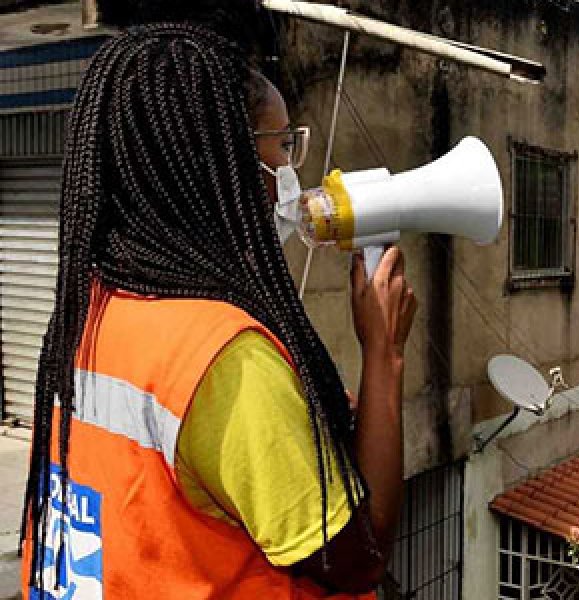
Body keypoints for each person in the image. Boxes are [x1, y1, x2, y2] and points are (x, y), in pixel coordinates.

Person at [20, 21, 414, 598]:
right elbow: (359, 558)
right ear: (217, 166)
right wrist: (385, 352)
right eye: (282, 145)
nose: (289, 172)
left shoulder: (92, 309)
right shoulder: (223, 359)